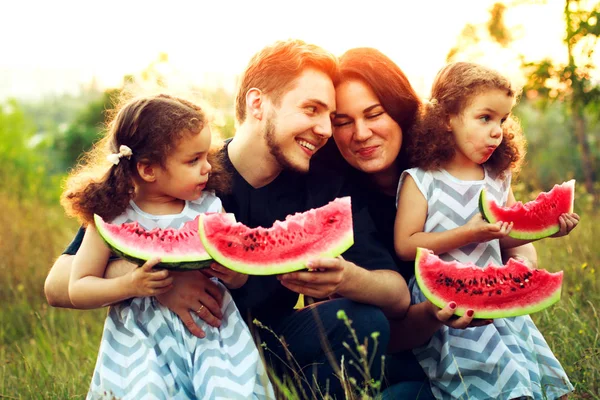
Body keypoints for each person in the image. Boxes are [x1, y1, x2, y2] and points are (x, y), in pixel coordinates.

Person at [45, 40, 411, 399]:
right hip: (188, 346)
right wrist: (164, 279)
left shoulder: (326, 182)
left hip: (266, 343)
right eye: (310, 109)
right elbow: (59, 284)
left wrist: (348, 277)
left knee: (367, 323)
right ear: (257, 104)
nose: (326, 130)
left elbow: (395, 295)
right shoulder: (187, 176)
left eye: (329, 117)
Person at [59, 94, 273, 399]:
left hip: (212, 338)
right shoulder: (111, 218)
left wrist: (232, 270)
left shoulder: (211, 207)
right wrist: (130, 284)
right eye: (193, 160)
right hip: (142, 344)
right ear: (148, 169)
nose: (207, 168)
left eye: (207, 157)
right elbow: (77, 288)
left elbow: (240, 276)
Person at [394, 61, 579, 399]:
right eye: (485, 118)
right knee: (483, 380)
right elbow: (406, 245)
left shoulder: (496, 178)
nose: (498, 130)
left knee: (526, 375)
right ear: (447, 119)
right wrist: (467, 234)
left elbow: (506, 233)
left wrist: (547, 229)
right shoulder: (421, 180)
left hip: (497, 293)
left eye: (503, 119)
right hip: (448, 303)